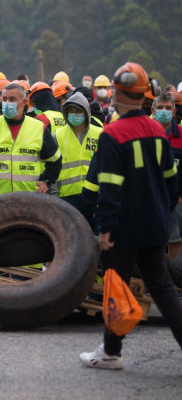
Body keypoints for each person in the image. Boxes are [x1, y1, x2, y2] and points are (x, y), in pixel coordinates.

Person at [80, 62, 182, 370]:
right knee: (162, 287)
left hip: (124, 227)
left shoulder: (113, 133)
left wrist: (106, 229)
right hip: (154, 224)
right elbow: (171, 180)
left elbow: (111, 188)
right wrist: (161, 212)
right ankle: (111, 350)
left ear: (120, 94)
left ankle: (111, 352)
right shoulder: (156, 129)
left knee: (116, 285)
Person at [54, 92, 101, 226]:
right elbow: (51, 168)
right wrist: (55, 199)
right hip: (66, 199)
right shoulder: (58, 136)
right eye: (71, 111)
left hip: (94, 200)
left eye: (78, 110)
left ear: (86, 112)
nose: (74, 114)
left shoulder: (99, 134)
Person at [150, 92, 182, 260]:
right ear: (153, 110)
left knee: (174, 239)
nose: (164, 111)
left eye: (168, 108)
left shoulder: (181, 136)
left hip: (174, 200)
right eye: (160, 107)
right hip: (148, 198)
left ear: (174, 111)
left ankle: (174, 278)